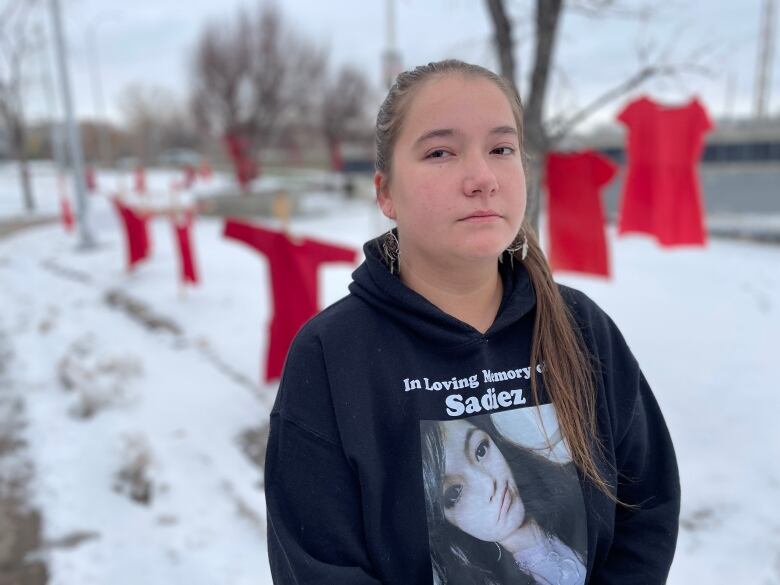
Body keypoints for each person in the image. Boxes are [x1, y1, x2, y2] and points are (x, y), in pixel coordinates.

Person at [265, 60, 680, 584]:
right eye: (441, 152)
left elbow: (647, 508)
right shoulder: (331, 354)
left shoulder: (581, 327)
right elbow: (317, 564)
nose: (482, 178)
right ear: (385, 192)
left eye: (501, 149)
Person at [421, 415, 586, 585]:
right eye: (454, 492)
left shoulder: (575, 492)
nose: (488, 483)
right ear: (443, 520)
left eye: (481, 450)